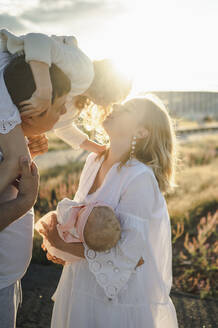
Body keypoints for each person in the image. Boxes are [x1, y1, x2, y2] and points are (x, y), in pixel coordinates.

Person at [40, 95, 178, 327]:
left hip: (114, 300)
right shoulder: (94, 161)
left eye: (128, 109)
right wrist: (61, 246)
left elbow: (131, 256)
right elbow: (83, 226)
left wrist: (64, 245)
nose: (115, 105)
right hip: (78, 285)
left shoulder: (139, 177)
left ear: (142, 132)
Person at [0, 29, 131, 193]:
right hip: (3, 67)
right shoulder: (84, 72)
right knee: (16, 159)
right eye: (116, 97)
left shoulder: (76, 99)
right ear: (110, 82)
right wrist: (44, 90)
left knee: (16, 163)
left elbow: (63, 128)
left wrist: (99, 149)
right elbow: (37, 40)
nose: (111, 104)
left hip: (8, 88)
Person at [0, 50, 70, 328]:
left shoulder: (10, 148)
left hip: (7, 279)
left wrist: (25, 148)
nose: (65, 112)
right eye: (61, 105)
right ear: (30, 113)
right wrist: (25, 201)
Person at [35, 198, 121, 263]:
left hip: (56, 234)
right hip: (70, 257)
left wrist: (57, 245)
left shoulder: (70, 218)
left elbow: (62, 206)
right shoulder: (83, 237)